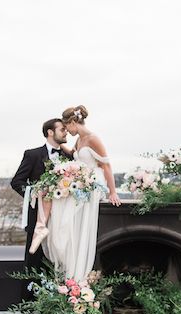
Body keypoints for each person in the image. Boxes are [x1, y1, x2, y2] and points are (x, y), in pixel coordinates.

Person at [45, 105, 121, 282]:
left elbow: (106, 165)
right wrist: (56, 145)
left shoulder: (93, 139)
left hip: (93, 184)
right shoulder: (79, 140)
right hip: (80, 183)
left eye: (66, 127)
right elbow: (73, 155)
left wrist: (113, 192)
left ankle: (77, 274)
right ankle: (68, 268)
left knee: (67, 218)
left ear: (73, 122)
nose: (66, 131)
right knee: (62, 219)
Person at [10, 118, 71, 301]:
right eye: (62, 129)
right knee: (33, 262)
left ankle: (54, 305)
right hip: (39, 218)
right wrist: (35, 193)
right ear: (50, 132)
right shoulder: (32, 155)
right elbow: (16, 182)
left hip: (62, 220)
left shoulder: (69, 158)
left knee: (58, 262)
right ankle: (28, 307)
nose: (65, 132)